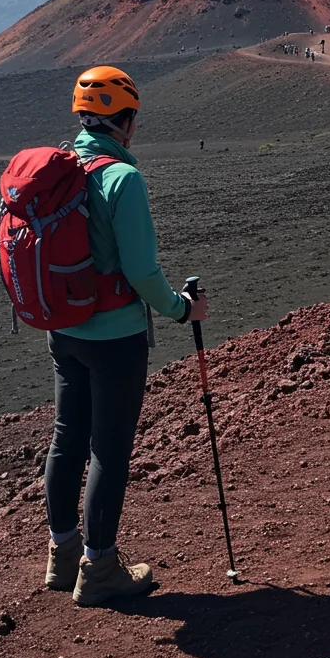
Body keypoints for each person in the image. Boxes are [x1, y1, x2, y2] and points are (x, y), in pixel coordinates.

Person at [44, 65, 209, 607]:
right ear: (127, 119)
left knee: (68, 438)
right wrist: (181, 310)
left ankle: (63, 555)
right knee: (109, 451)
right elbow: (141, 271)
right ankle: (100, 571)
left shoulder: (61, 170)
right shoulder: (121, 178)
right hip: (114, 336)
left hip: (63, 329)